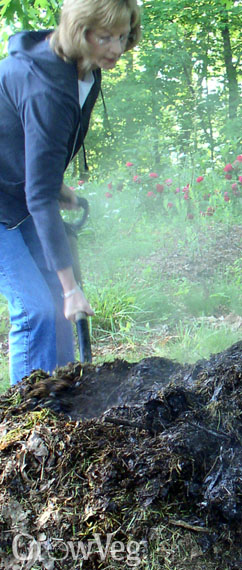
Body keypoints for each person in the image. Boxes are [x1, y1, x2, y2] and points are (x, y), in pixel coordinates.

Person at [0, 0, 141, 385]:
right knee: (37, 310)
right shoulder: (43, 85)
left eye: (123, 36)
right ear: (80, 30)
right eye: (105, 36)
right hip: (8, 202)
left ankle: (62, 407)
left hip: (14, 193)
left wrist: (51, 182)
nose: (116, 48)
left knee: (60, 308)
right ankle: (28, 425)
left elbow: (26, 140)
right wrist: (71, 287)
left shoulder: (87, 73)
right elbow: (38, 195)